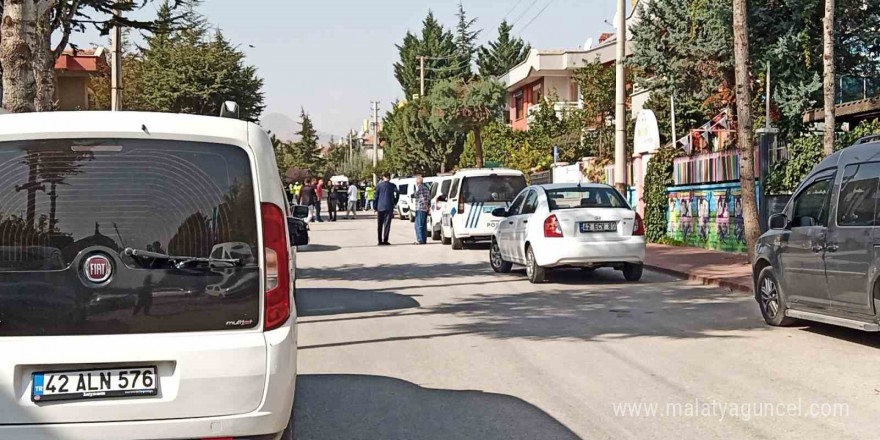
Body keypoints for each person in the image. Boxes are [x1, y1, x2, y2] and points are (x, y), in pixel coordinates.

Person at [374, 173, 399, 245]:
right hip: (389, 207)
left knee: (380, 224)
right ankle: (385, 240)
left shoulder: (379, 186)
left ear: (383, 177)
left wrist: (375, 206)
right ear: (389, 177)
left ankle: (379, 241)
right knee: (387, 224)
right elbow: (397, 193)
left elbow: (376, 197)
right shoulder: (392, 185)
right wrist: (394, 202)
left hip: (380, 207)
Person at [411, 174, 431, 245]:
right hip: (425, 209)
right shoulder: (426, 188)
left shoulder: (419, 188)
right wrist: (428, 206)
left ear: (417, 182)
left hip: (420, 208)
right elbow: (428, 198)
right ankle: (424, 239)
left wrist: (415, 189)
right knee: (423, 225)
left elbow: (417, 196)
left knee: (418, 225)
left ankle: (420, 240)